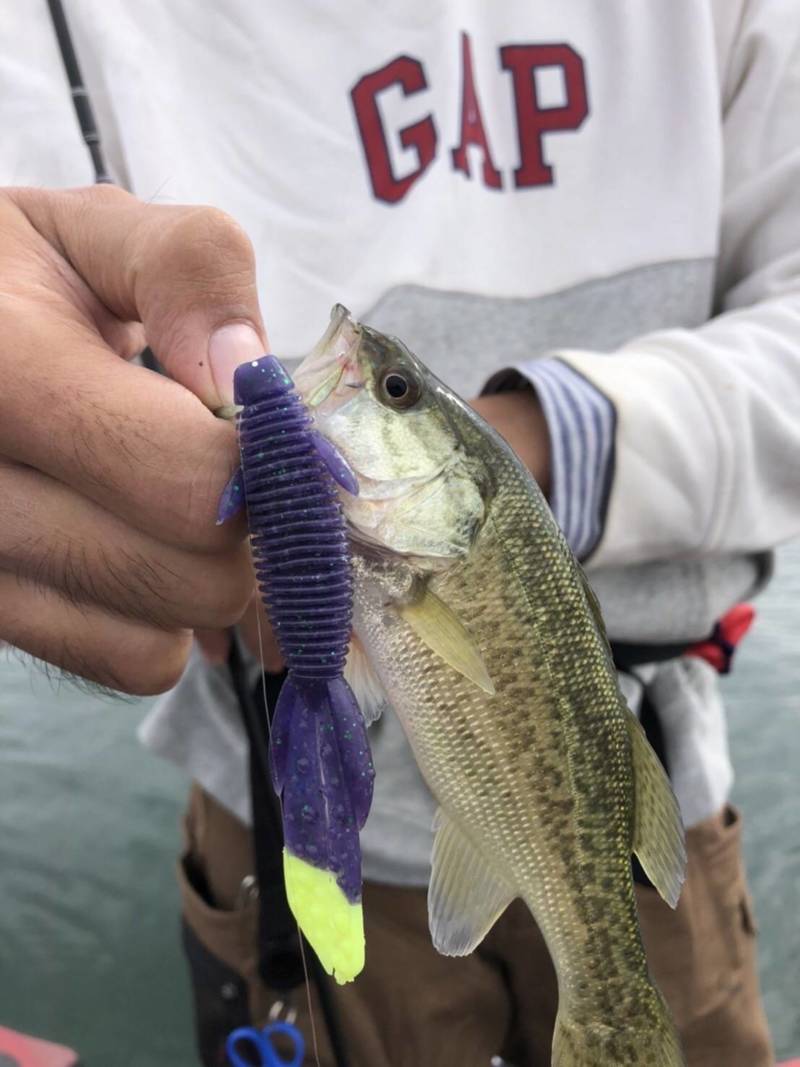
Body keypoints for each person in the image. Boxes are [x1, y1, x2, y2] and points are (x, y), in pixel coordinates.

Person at [1, 2, 798, 1064]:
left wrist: (555, 435)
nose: (350, 361)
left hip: (641, 817)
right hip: (296, 829)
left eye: (391, 391)